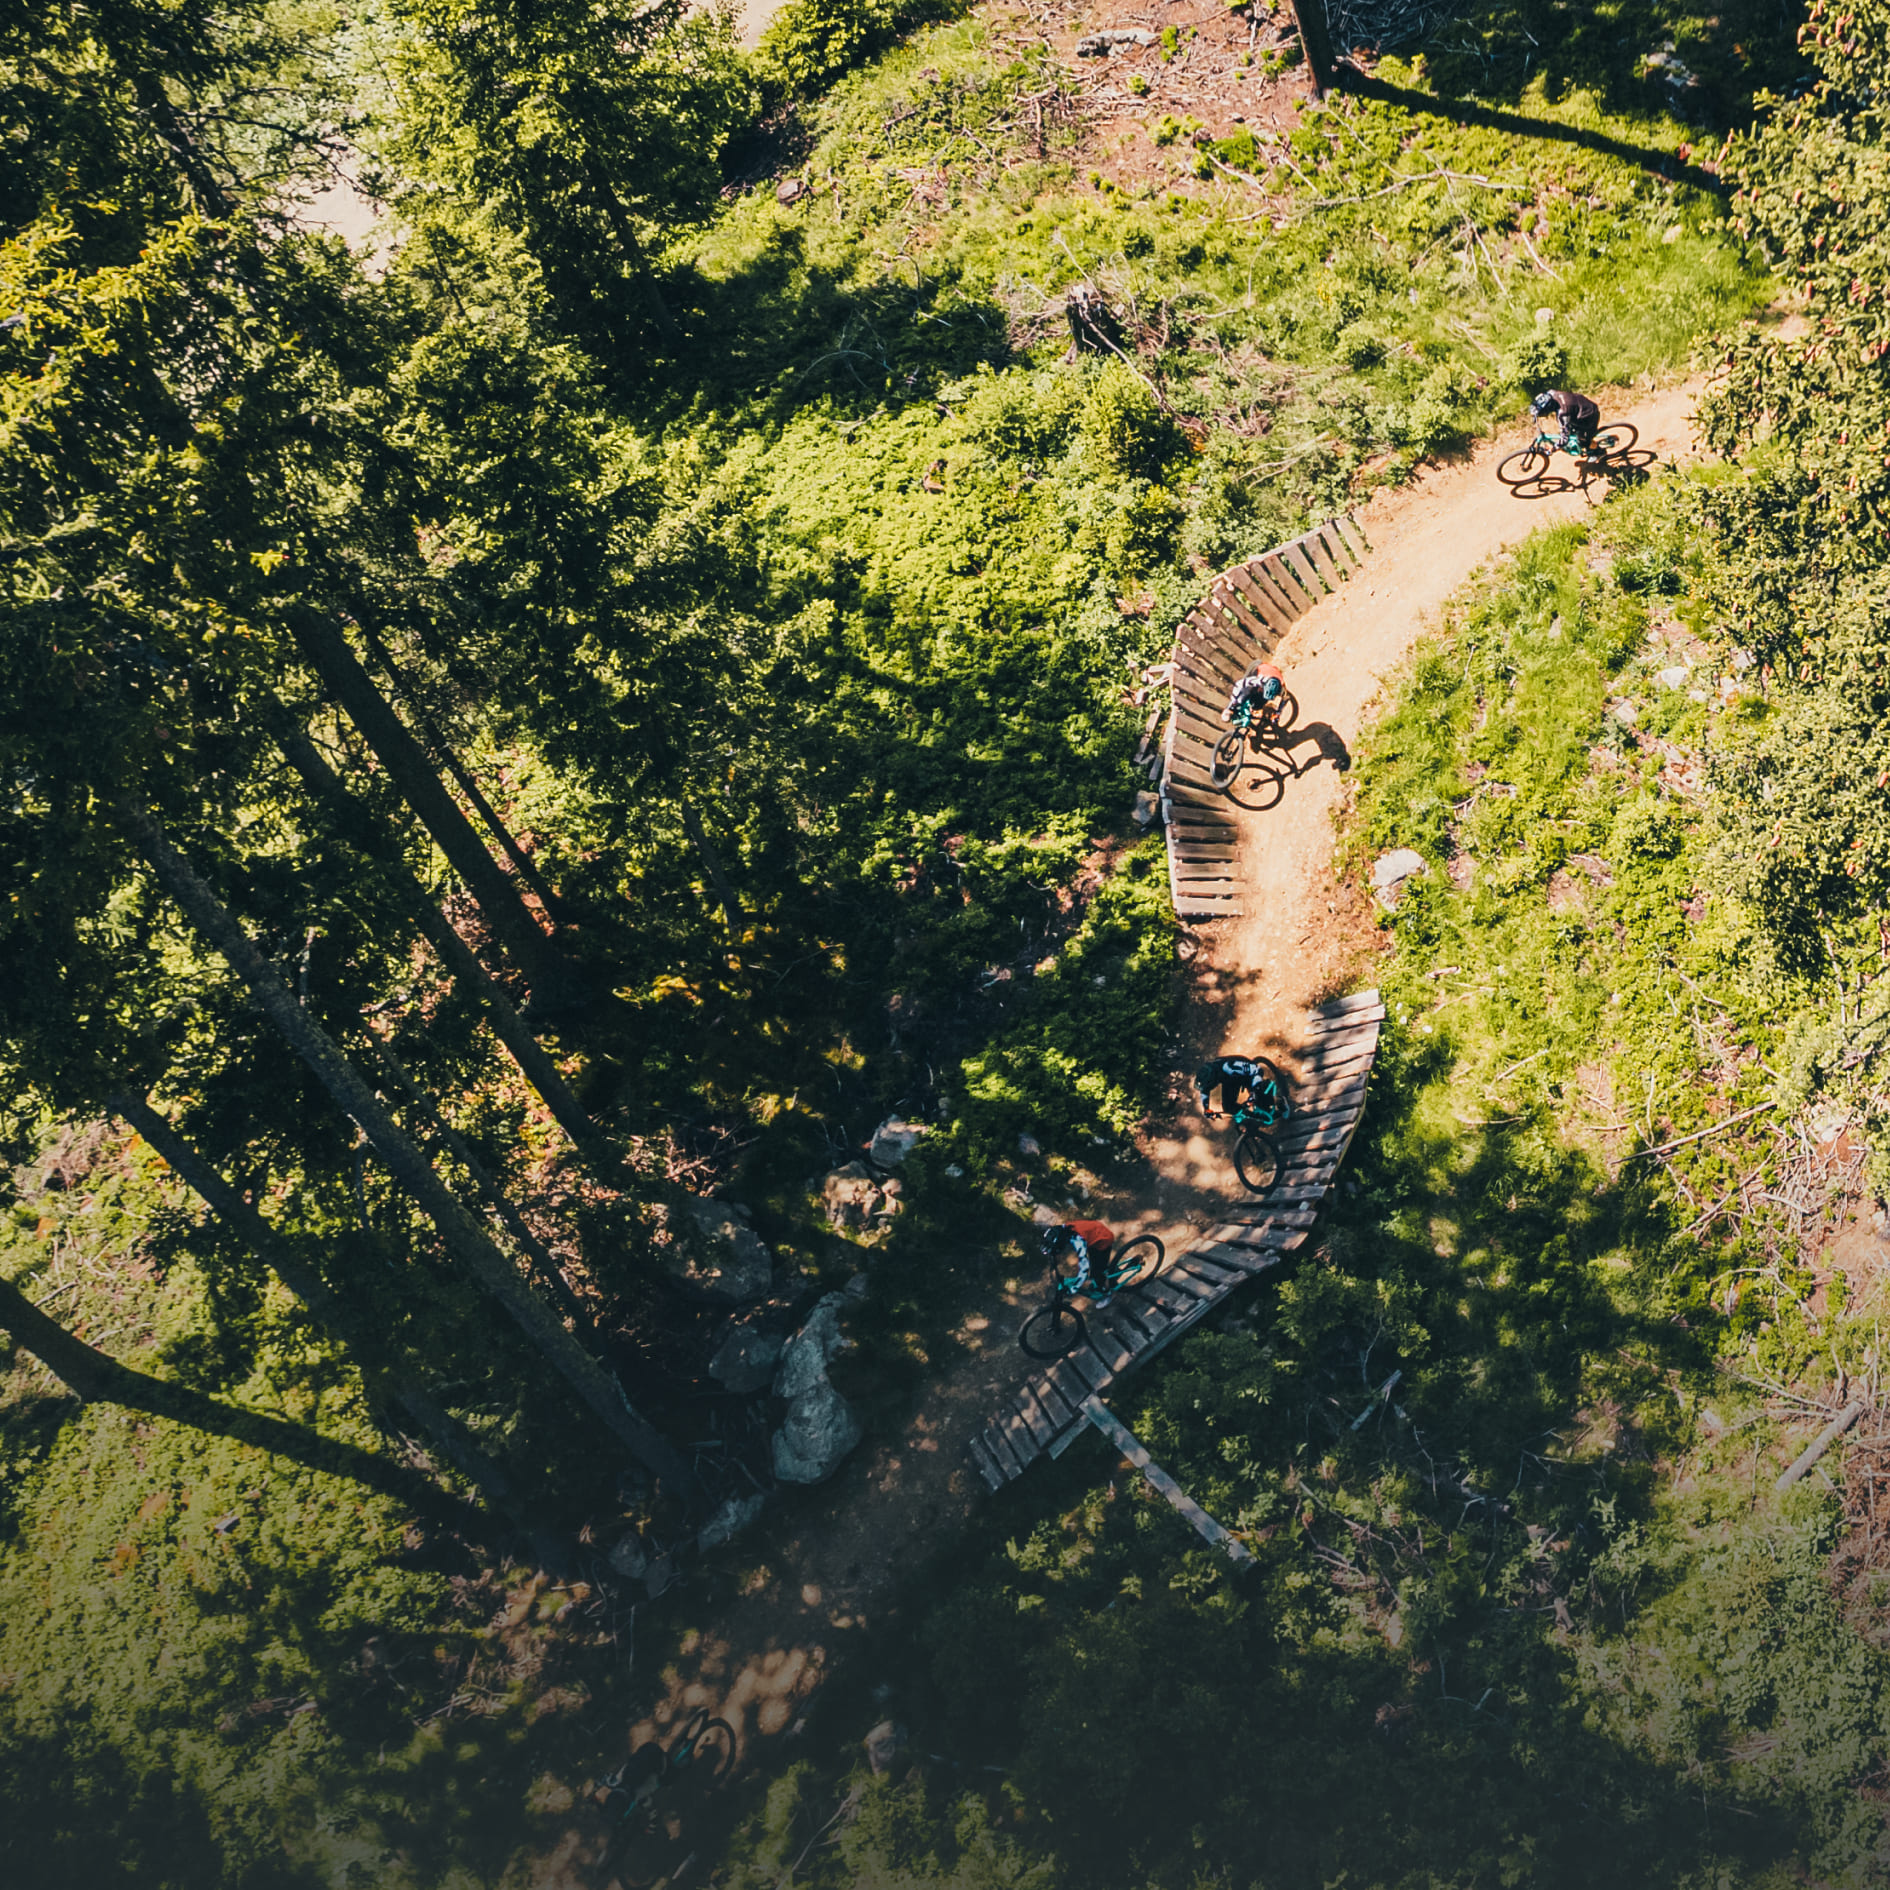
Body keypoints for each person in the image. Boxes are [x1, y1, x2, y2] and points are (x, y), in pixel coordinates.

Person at [1195, 1056, 1290, 1126]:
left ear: (1214, 1079)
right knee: (1228, 1107)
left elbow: (1257, 1070)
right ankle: (1251, 1117)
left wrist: (1254, 1091)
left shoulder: (1229, 1067)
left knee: (1258, 1097)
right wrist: (1206, 1108)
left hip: (1247, 1074)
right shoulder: (1211, 1074)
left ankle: (1280, 1101)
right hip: (1231, 1080)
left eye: (1210, 1085)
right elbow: (1204, 1091)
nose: (1210, 1088)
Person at [1042, 1219, 1119, 1303]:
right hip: (1094, 1235)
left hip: (1103, 1240)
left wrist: (1074, 1289)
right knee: (1095, 1266)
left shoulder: (1078, 1241)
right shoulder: (1064, 1230)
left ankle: (1108, 1294)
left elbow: (1084, 1267)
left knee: (1098, 1272)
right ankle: (1108, 1272)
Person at [1531, 388, 1601, 455]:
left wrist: (1553, 448)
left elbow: (1564, 439)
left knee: (1582, 440)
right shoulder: (1551, 393)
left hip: (1590, 415)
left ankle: (1599, 451)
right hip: (1582, 404)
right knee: (1569, 428)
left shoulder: (1563, 413)